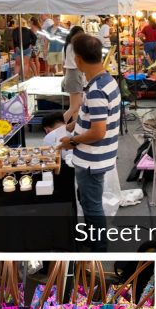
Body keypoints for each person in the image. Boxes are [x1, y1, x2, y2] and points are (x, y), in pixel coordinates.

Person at [60, 33, 121, 227]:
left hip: (91, 160)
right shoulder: (107, 81)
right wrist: (74, 125)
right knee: (88, 201)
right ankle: (93, 239)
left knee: (92, 206)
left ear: (78, 60)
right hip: (99, 156)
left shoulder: (96, 90)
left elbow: (98, 131)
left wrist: (72, 141)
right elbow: (98, 117)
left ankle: (98, 248)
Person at [61, 25, 85, 125]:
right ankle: (58, 125)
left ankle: (75, 126)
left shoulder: (67, 46)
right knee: (75, 106)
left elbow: (63, 63)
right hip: (75, 74)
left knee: (75, 106)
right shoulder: (75, 46)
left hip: (70, 74)